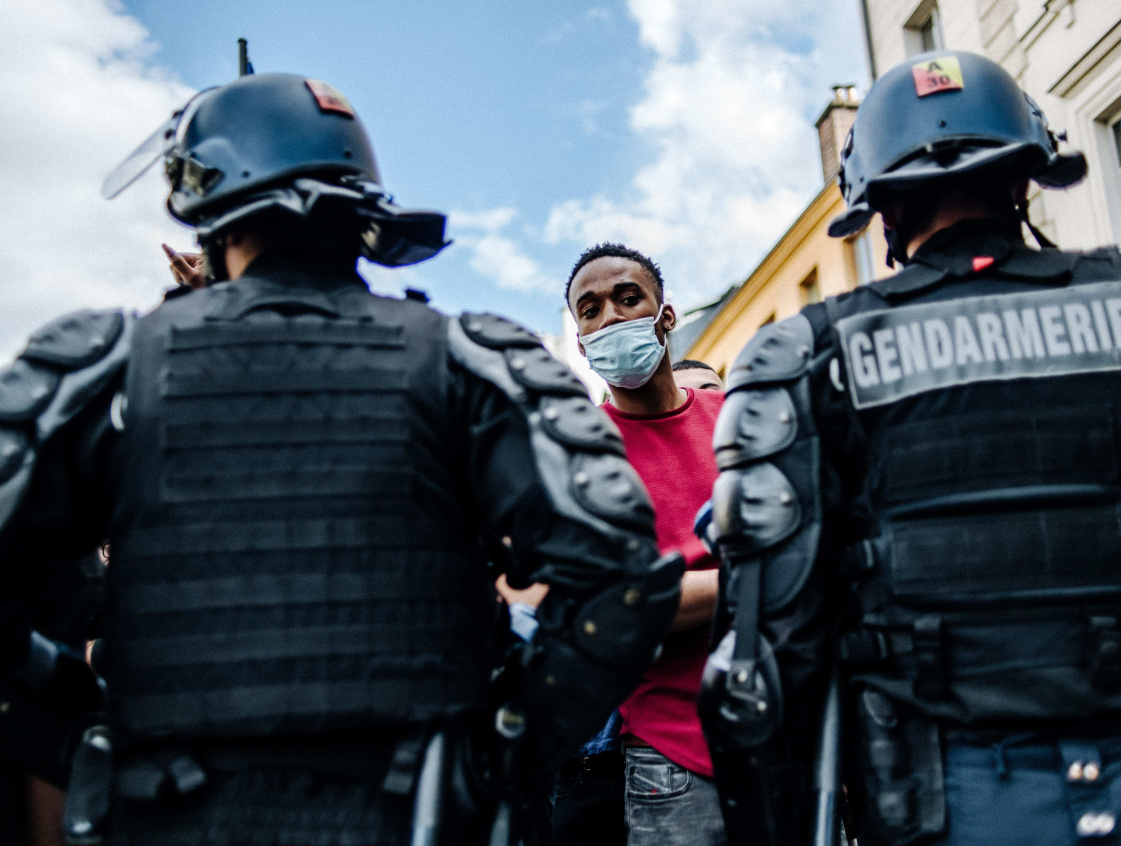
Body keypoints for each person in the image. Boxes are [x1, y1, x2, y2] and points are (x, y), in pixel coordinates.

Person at [0, 72, 683, 846]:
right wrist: (498, 749)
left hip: (176, 811)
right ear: (361, 207)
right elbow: (622, 581)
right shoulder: (473, 363)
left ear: (210, 206)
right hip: (417, 810)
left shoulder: (107, 368)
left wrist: (87, 732)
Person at [699, 49, 1121, 846]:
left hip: (944, 795)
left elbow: (767, 663)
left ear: (882, 208)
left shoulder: (810, 355)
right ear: (1025, 178)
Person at [567, 243, 726, 846]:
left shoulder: (738, 419)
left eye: (627, 298)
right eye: (590, 310)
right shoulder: (580, 456)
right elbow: (618, 608)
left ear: (666, 316)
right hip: (670, 756)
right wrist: (753, 576)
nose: (610, 316)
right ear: (582, 344)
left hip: (789, 735)